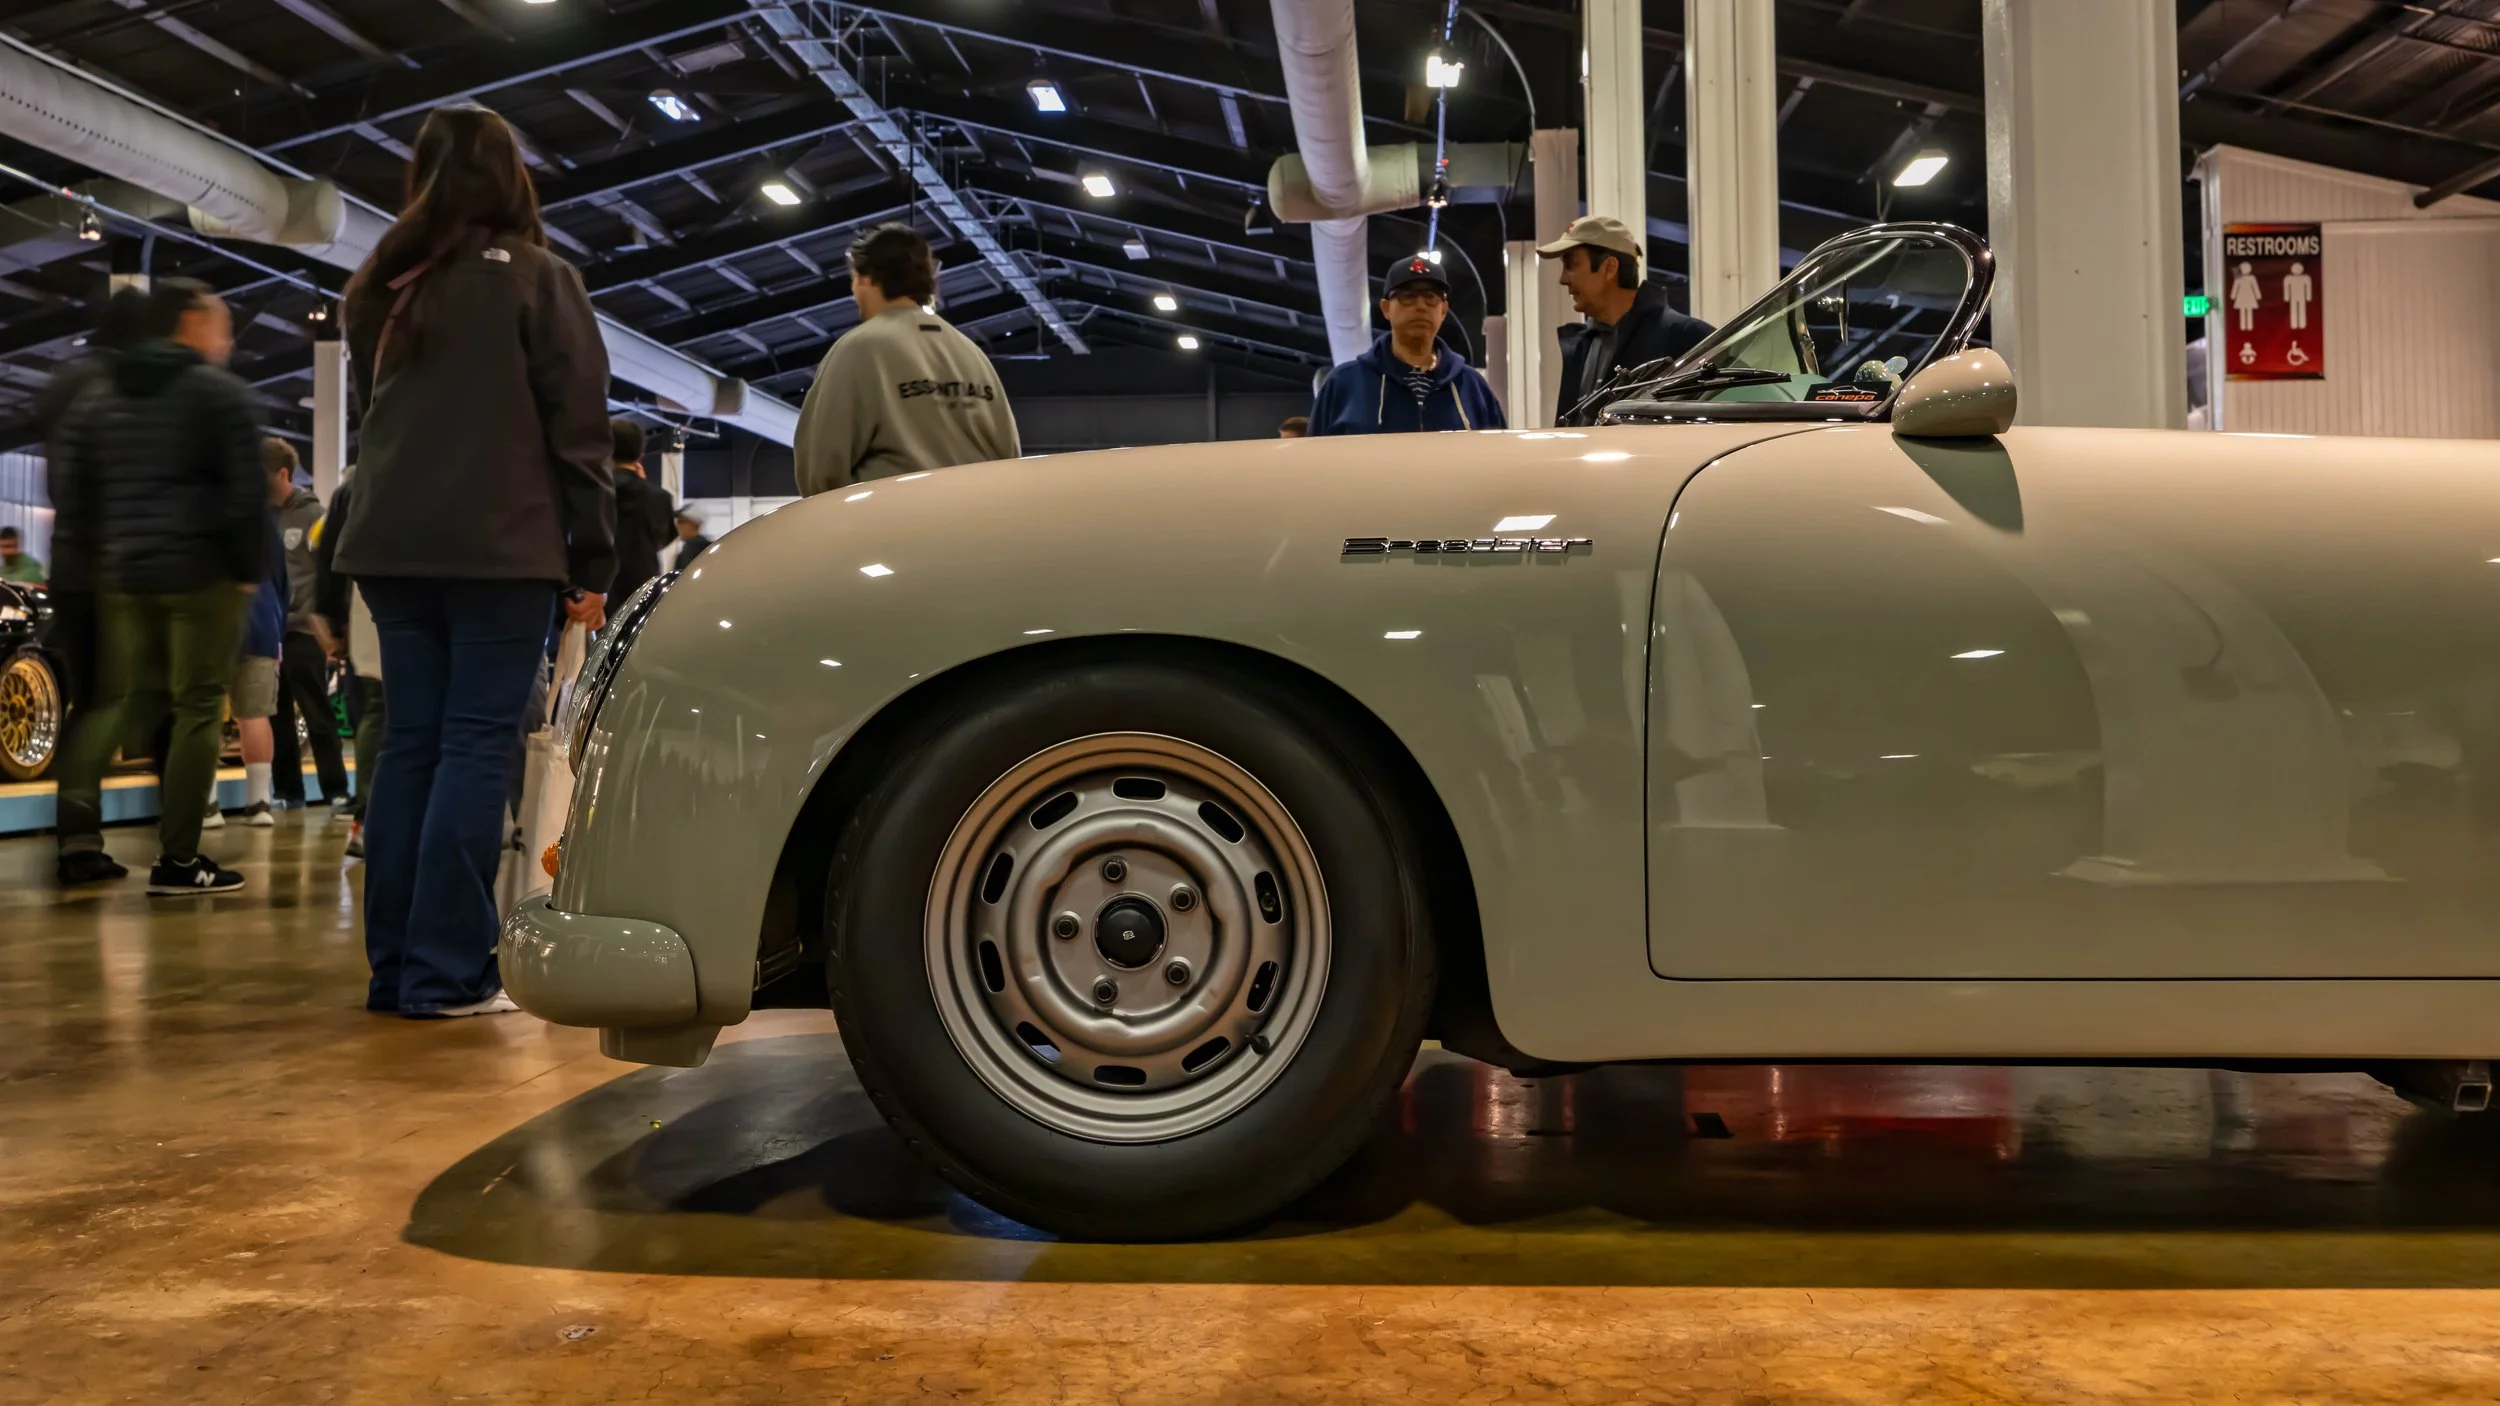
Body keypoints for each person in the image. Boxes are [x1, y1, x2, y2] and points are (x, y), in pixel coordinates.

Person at [332, 103, 615, 1019]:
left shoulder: (381, 286)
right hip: (499, 545)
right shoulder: (538, 278)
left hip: (388, 547)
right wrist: (594, 556)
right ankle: (449, 973)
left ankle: (397, 972)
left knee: (410, 744)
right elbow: (578, 429)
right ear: (512, 176)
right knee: (472, 748)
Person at [49, 277, 265, 893]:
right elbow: (243, 498)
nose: (225, 340)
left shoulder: (100, 398)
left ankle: (75, 828)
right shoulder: (220, 396)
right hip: (201, 577)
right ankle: (177, 860)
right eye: (220, 326)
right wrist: (247, 571)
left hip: (123, 575)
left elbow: (76, 494)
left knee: (123, 702)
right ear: (191, 324)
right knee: (198, 706)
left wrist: (106, 560)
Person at [792, 223, 1019, 493]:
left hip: (892, 524)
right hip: (979, 521)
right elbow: (1009, 454)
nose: (854, 291)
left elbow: (821, 466)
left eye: (853, 279)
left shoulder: (858, 349)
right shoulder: (971, 353)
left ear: (867, 279)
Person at [1539, 215, 1715, 427]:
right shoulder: (1583, 346)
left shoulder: (1689, 338)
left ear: (1609, 268)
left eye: (1572, 265)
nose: (1563, 279)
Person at [1307, 252, 1507, 436]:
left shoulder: (1472, 387)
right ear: (1386, 309)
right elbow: (1314, 463)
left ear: (1443, 310)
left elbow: (1499, 461)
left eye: (1431, 297)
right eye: (1407, 296)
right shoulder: (1343, 384)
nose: (1420, 306)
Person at [265, 440, 350, 811]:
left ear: (282, 473)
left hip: (304, 632)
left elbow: (329, 573)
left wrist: (327, 623)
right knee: (277, 717)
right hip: (271, 633)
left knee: (316, 713)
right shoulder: (264, 518)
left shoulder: (315, 515)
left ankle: (335, 790)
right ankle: (288, 792)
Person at [216, 442, 295, 829]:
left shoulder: (200, 509)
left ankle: (205, 807)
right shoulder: (263, 519)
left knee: (203, 716)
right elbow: (282, 581)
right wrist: (276, 627)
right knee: (256, 715)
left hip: (210, 627)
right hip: (261, 625)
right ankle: (259, 804)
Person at [311, 468, 381, 860]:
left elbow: (329, 556)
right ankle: (370, 818)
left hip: (368, 610)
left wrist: (329, 615)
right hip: (378, 609)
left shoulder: (353, 486)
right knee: (381, 712)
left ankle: (370, 819)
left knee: (376, 712)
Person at [606, 419, 676, 612]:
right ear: (641, 453)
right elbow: (663, 538)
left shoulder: (598, 493)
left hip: (603, 586)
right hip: (644, 586)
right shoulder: (659, 497)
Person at [669, 506, 710, 572]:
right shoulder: (691, 547)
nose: (677, 526)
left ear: (695, 524)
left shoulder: (694, 549)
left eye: (681, 522)